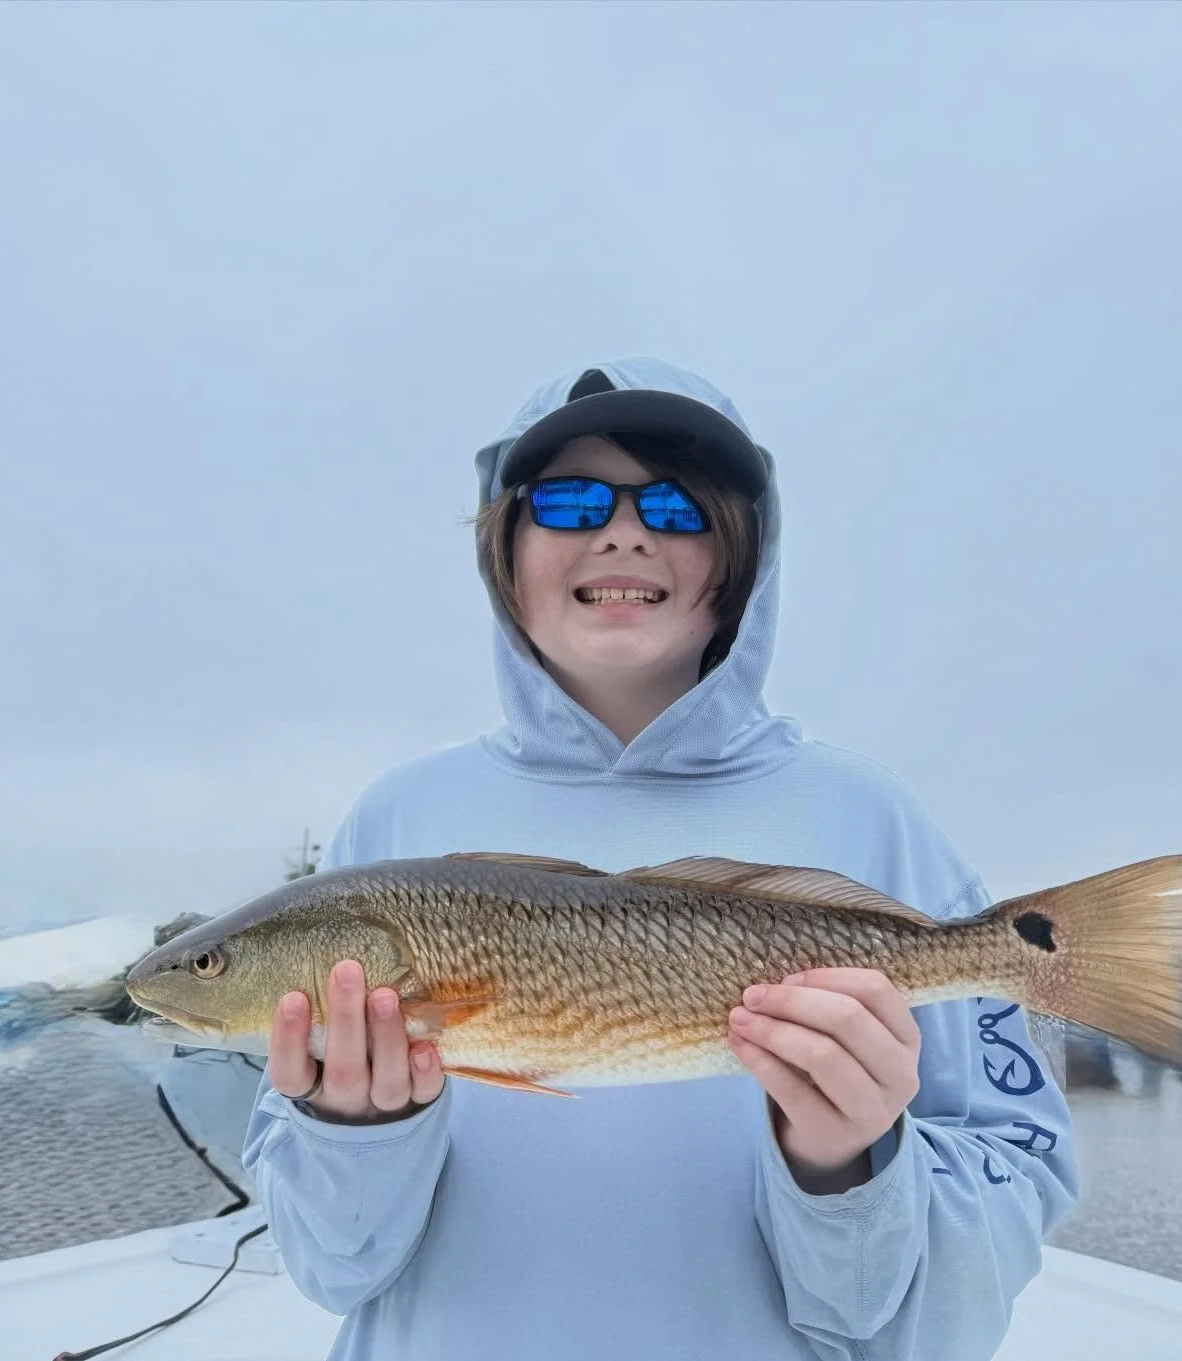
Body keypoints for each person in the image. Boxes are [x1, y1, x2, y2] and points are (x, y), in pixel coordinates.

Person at [242, 357, 1081, 1360]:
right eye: (570, 499)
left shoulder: (874, 818)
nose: (624, 531)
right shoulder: (392, 824)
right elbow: (330, 1266)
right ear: (502, 542)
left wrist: (849, 1164)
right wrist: (352, 1129)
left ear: (743, 551)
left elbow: (979, 1245)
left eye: (677, 505)